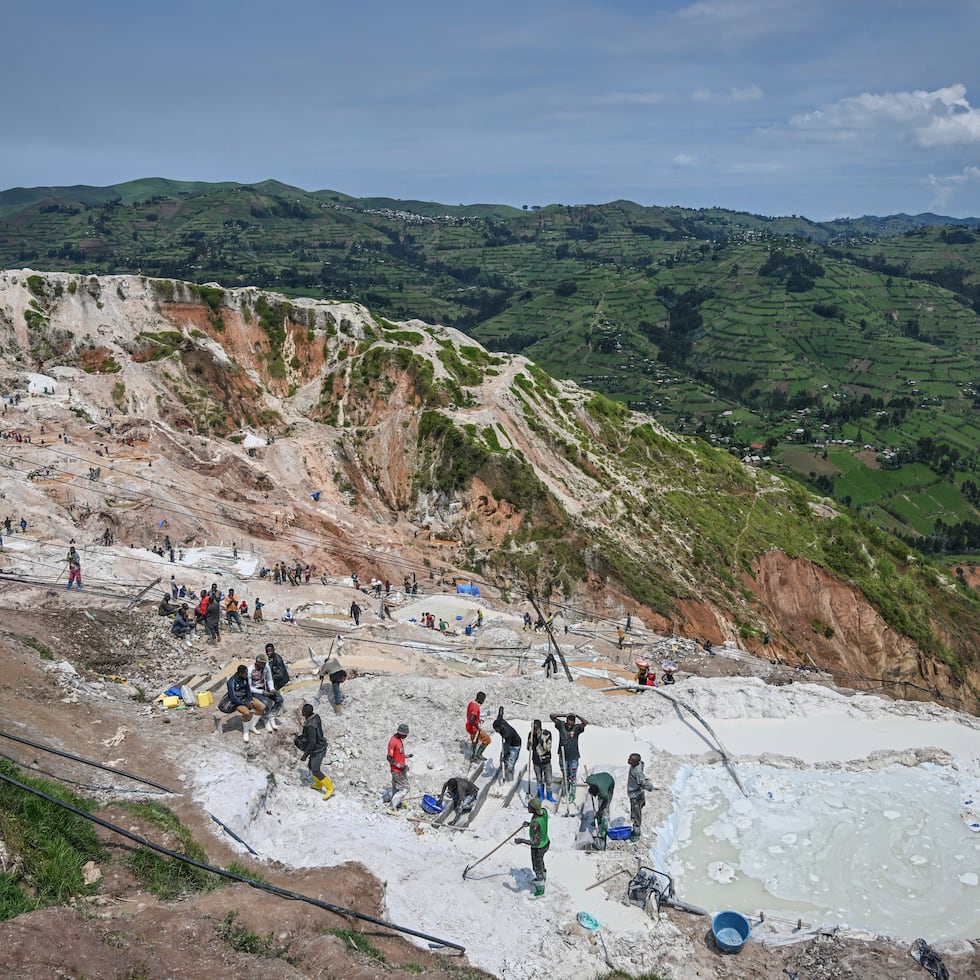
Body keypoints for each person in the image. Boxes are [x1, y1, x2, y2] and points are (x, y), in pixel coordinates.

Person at [514, 797, 550, 897]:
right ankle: (543, 876)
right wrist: (529, 825)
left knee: (536, 867)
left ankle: (540, 888)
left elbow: (535, 842)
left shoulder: (535, 823)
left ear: (533, 809)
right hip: (546, 842)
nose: (528, 807)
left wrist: (521, 840)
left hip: (538, 848)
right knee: (541, 861)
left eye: (529, 806)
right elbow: (539, 825)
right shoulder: (544, 812)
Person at [550, 712, 588, 804]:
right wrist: (564, 715)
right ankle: (566, 788)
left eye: (572, 724)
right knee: (565, 774)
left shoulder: (577, 728)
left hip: (574, 756)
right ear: (566, 721)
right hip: (562, 755)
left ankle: (572, 793)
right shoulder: (561, 725)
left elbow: (585, 723)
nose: (570, 726)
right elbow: (552, 716)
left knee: (573, 776)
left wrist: (577, 715)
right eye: (568, 724)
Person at [295, 703, 331, 795]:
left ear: (305, 713)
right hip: (319, 745)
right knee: (311, 767)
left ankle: (330, 788)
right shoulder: (316, 717)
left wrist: (305, 755)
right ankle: (318, 785)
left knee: (315, 770)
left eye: (303, 710)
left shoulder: (310, 726)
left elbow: (312, 743)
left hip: (318, 749)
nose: (301, 711)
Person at [225, 664, 265, 742]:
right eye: (245, 673)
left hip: (246, 698)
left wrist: (250, 700)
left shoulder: (245, 678)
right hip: (237, 701)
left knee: (262, 707)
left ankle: (252, 726)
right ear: (240, 673)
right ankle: (246, 732)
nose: (247, 675)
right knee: (246, 713)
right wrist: (245, 704)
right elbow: (233, 698)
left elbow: (248, 690)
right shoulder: (231, 682)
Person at [250, 652, 282, 729]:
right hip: (255, 690)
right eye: (263, 664)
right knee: (266, 703)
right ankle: (266, 719)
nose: (264, 665)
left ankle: (272, 716)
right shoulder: (250, 670)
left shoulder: (266, 667)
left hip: (265, 687)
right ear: (257, 663)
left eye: (265, 663)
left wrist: (272, 688)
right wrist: (262, 692)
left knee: (279, 699)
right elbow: (249, 688)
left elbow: (269, 679)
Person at [626, 753, 654, 842]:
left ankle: (636, 834)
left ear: (635, 762)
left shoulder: (637, 772)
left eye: (630, 759)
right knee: (637, 812)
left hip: (636, 795)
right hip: (637, 792)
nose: (628, 760)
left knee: (636, 815)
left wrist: (649, 787)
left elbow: (643, 782)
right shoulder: (637, 765)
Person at [528, 719, 557, 803]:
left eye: (535, 728)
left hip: (546, 760)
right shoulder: (530, 735)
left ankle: (549, 796)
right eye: (532, 728)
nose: (533, 730)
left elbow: (547, 748)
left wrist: (540, 738)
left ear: (539, 727)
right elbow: (528, 748)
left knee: (548, 780)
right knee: (539, 779)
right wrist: (529, 744)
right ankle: (541, 795)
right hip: (536, 761)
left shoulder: (547, 734)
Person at [386, 722, 412, 812]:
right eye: (406, 735)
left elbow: (398, 754)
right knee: (406, 788)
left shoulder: (399, 739)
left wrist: (406, 756)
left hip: (400, 769)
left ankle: (397, 803)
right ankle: (391, 808)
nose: (406, 737)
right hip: (397, 770)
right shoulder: (393, 742)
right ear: (402, 733)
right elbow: (389, 758)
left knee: (396, 788)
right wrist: (399, 766)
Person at [493, 707, 522, 780]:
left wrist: (504, 756)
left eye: (497, 730)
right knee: (502, 762)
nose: (496, 731)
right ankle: (502, 772)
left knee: (509, 765)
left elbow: (507, 747)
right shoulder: (499, 720)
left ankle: (509, 779)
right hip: (507, 742)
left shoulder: (507, 733)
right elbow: (500, 714)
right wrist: (501, 709)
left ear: (501, 727)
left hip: (515, 745)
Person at [586, 772, 615, 841]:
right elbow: (591, 775)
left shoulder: (603, 792)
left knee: (605, 807)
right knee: (600, 801)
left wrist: (598, 812)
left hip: (610, 781)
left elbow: (605, 803)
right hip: (601, 778)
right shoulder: (589, 780)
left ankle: (604, 827)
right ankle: (599, 819)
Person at [465, 692, 491, 761]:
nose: (483, 701)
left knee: (474, 742)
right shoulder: (476, 707)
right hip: (474, 728)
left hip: (469, 727)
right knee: (487, 740)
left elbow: (471, 716)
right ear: (480, 698)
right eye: (483, 700)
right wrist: (478, 728)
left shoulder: (471, 703)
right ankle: (479, 754)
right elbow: (472, 719)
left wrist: (478, 720)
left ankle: (473, 756)